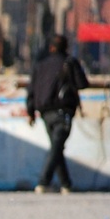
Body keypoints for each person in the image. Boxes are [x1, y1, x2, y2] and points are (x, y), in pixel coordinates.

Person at [27, 34, 89, 193]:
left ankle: (66, 184)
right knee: (56, 147)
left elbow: (31, 90)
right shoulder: (70, 62)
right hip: (63, 112)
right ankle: (43, 182)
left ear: (51, 47)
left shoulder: (40, 65)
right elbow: (82, 84)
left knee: (57, 147)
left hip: (45, 113)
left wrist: (30, 111)